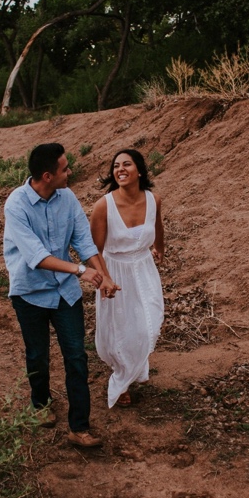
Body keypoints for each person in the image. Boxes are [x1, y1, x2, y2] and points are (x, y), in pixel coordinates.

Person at [3, 143, 119, 448]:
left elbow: (84, 240)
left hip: (65, 293)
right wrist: (80, 271)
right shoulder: (16, 205)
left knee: (77, 357)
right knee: (38, 356)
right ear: (46, 175)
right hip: (30, 292)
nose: (70, 172)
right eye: (65, 168)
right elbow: (36, 256)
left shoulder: (66, 198)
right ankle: (40, 404)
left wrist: (104, 274)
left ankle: (79, 427)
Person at [89, 149, 165, 409]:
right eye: (116, 166)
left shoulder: (153, 199)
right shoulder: (104, 205)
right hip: (115, 271)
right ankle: (121, 380)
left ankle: (136, 365)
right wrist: (104, 279)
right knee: (121, 328)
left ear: (139, 170)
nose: (120, 169)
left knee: (149, 323)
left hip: (144, 268)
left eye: (127, 164)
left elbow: (158, 226)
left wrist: (160, 249)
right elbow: (94, 249)